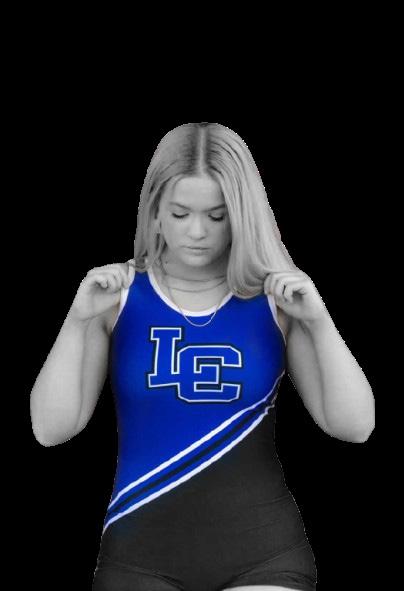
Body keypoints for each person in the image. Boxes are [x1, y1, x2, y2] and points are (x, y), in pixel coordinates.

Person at [30, 122, 375, 591]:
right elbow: (51, 430)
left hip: (264, 555)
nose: (197, 232)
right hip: (138, 559)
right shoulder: (114, 296)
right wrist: (76, 320)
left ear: (242, 215)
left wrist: (320, 321)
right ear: (154, 212)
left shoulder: (278, 300)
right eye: (180, 213)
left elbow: (354, 426)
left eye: (217, 216)